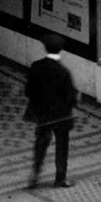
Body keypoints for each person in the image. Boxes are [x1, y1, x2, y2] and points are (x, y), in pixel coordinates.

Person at [24, 45, 76, 191]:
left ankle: (35, 176)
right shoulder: (63, 72)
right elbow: (70, 97)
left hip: (43, 114)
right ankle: (60, 178)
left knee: (40, 143)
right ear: (60, 50)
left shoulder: (36, 66)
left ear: (46, 48)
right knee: (62, 146)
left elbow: (28, 91)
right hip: (61, 116)